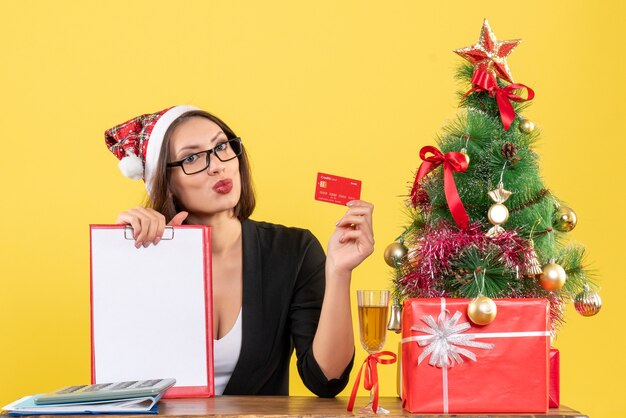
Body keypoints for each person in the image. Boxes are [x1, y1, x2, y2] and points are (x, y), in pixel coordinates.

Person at [104, 105, 375, 397]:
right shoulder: (149, 256)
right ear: (166, 183)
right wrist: (128, 258)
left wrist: (338, 270)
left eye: (222, 146)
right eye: (191, 158)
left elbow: (326, 380)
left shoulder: (293, 250)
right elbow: (125, 383)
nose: (218, 165)